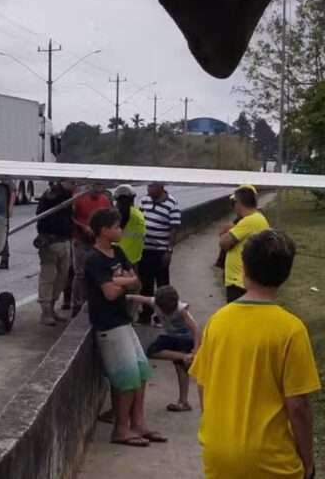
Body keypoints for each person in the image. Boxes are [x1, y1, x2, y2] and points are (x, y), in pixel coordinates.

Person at [190, 230, 320, 479]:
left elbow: (202, 384)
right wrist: (308, 462)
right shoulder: (291, 330)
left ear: (244, 268)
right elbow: (298, 407)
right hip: (270, 460)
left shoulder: (217, 321)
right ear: (286, 274)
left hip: (218, 454)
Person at [85, 207, 166, 447]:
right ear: (104, 231)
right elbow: (109, 293)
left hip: (123, 320)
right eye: (117, 227)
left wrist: (120, 280)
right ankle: (121, 429)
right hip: (109, 324)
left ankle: (138, 423)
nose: (121, 231)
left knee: (140, 372)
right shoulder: (95, 259)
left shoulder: (118, 252)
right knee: (126, 377)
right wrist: (125, 281)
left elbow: (135, 282)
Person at [127, 286, 200, 412]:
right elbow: (139, 298)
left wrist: (196, 350)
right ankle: (184, 357)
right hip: (172, 336)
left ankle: (183, 401)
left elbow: (195, 330)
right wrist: (126, 297)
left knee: (180, 367)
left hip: (186, 338)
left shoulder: (180, 310)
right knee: (152, 351)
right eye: (164, 310)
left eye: (169, 310)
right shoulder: (154, 302)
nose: (167, 313)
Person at [138, 182, 181, 325]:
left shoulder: (172, 204)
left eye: (152, 186)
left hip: (161, 251)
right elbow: (139, 220)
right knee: (146, 284)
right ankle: (145, 315)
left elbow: (174, 229)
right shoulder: (145, 200)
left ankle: (162, 316)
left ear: (161, 187)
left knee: (162, 285)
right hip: (145, 250)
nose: (148, 189)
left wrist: (169, 250)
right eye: (148, 186)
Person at [218, 184, 269, 303]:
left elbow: (223, 242)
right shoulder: (256, 219)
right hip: (242, 279)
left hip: (239, 282)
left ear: (238, 203)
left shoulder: (250, 221)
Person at [35, 179, 74, 326]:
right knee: (48, 277)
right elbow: (49, 199)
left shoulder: (69, 195)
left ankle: (51, 307)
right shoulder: (52, 194)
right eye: (72, 182)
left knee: (62, 277)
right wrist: (56, 190)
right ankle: (45, 311)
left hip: (65, 240)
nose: (75, 184)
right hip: (50, 241)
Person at [70, 183, 111, 317]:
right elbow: (71, 217)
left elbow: (108, 218)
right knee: (80, 273)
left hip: (97, 241)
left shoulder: (104, 200)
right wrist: (83, 227)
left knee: (97, 273)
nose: (98, 189)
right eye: (95, 185)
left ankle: (92, 303)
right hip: (81, 240)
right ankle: (77, 305)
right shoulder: (78, 198)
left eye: (100, 186)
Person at [113, 184, 146, 267]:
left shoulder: (121, 214)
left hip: (123, 259)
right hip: (130, 258)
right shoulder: (138, 214)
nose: (123, 204)